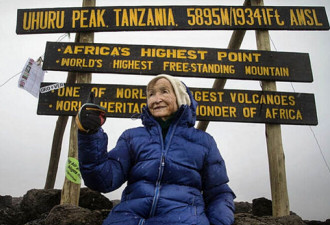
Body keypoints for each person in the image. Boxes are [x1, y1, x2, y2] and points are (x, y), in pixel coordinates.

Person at [76, 74, 235, 225]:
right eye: (151, 94)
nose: (156, 99)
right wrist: (90, 135)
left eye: (164, 91)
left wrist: (220, 222)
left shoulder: (204, 142)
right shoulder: (131, 137)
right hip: (127, 218)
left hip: (184, 220)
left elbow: (219, 193)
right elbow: (103, 180)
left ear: (180, 98)